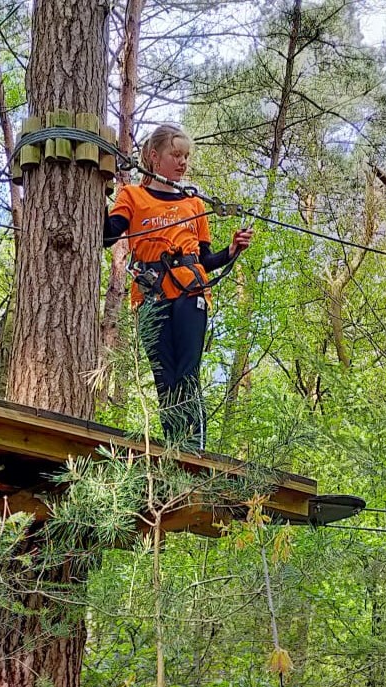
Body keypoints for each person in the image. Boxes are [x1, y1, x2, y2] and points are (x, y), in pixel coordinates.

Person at [104, 124, 252, 449]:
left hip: (190, 294)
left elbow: (204, 258)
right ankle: (173, 446)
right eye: (176, 154)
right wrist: (97, 194)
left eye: (186, 156)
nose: (183, 162)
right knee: (164, 377)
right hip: (151, 295)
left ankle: (194, 447)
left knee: (187, 372)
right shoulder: (133, 196)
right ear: (154, 157)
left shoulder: (193, 203)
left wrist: (232, 250)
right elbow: (108, 235)